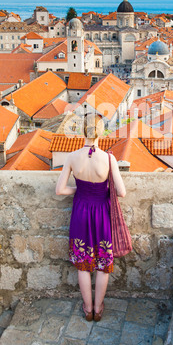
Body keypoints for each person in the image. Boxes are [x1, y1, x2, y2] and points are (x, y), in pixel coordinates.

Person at [55, 113, 126, 322]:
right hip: (102, 213)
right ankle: (98, 307)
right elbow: (121, 192)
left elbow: (59, 190)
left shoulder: (71, 157)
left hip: (80, 212)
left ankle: (87, 309)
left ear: (81, 131)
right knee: (103, 263)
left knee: (83, 263)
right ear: (101, 132)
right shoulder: (109, 158)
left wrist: (80, 190)